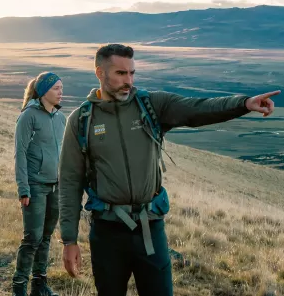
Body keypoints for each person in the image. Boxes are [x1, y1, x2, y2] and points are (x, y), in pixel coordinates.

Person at [59, 43, 281, 296]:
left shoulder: (150, 106)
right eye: (120, 74)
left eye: (132, 73)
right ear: (100, 73)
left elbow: (197, 108)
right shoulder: (82, 120)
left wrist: (243, 103)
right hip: (107, 232)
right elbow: (69, 181)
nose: (128, 81)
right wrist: (69, 239)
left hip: (150, 228)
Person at [12, 72, 65, 296]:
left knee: (45, 236)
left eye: (62, 88)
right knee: (32, 237)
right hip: (35, 186)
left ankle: (39, 284)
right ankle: (19, 286)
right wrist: (23, 188)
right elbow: (20, 154)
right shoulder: (28, 116)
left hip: (56, 186)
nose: (61, 92)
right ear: (43, 92)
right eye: (56, 88)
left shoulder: (62, 118)